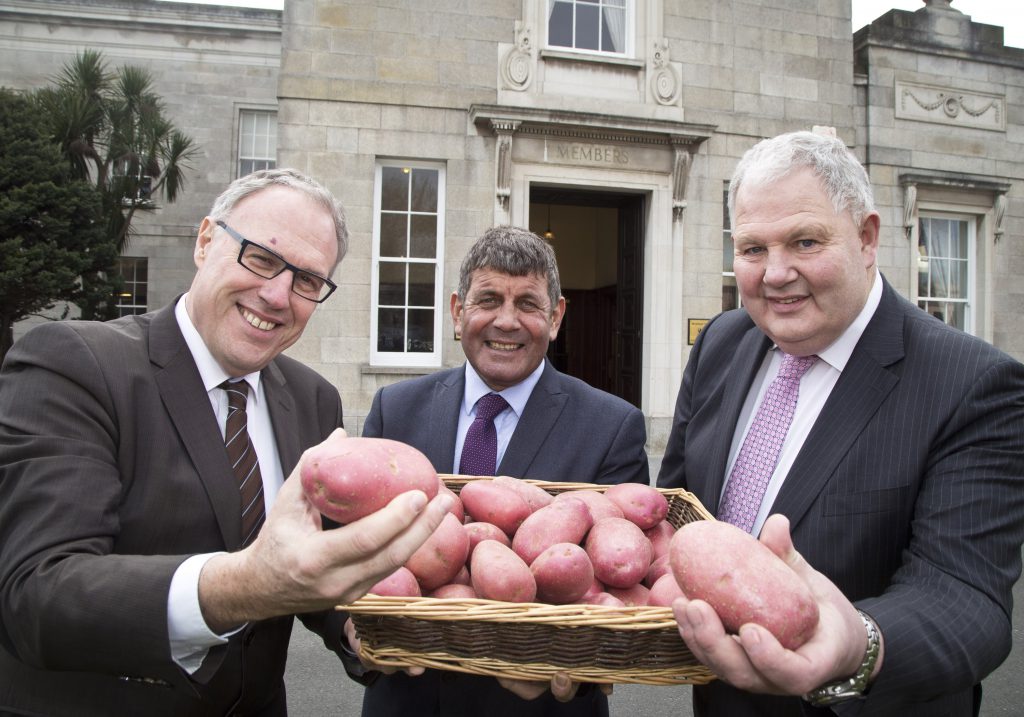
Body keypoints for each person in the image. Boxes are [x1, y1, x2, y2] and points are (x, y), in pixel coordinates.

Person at [0, 168, 453, 716]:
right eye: (261, 258)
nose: (277, 295)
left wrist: (362, 629)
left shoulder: (314, 401)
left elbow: (312, 565)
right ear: (206, 241)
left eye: (308, 281)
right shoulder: (75, 364)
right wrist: (244, 585)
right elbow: (36, 594)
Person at [658, 130, 1024, 716]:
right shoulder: (723, 342)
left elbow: (965, 599)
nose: (775, 274)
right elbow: (675, 511)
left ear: (867, 238)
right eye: (752, 249)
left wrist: (860, 644)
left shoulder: (973, 385)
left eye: (804, 241)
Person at [350, 225, 650, 717]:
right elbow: (353, 552)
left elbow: (618, 589)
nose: (506, 322)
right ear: (456, 311)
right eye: (488, 299)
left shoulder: (612, 427)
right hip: (408, 700)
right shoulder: (394, 411)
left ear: (555, 318)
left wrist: (571, 672)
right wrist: (355, 632)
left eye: (528, 304)